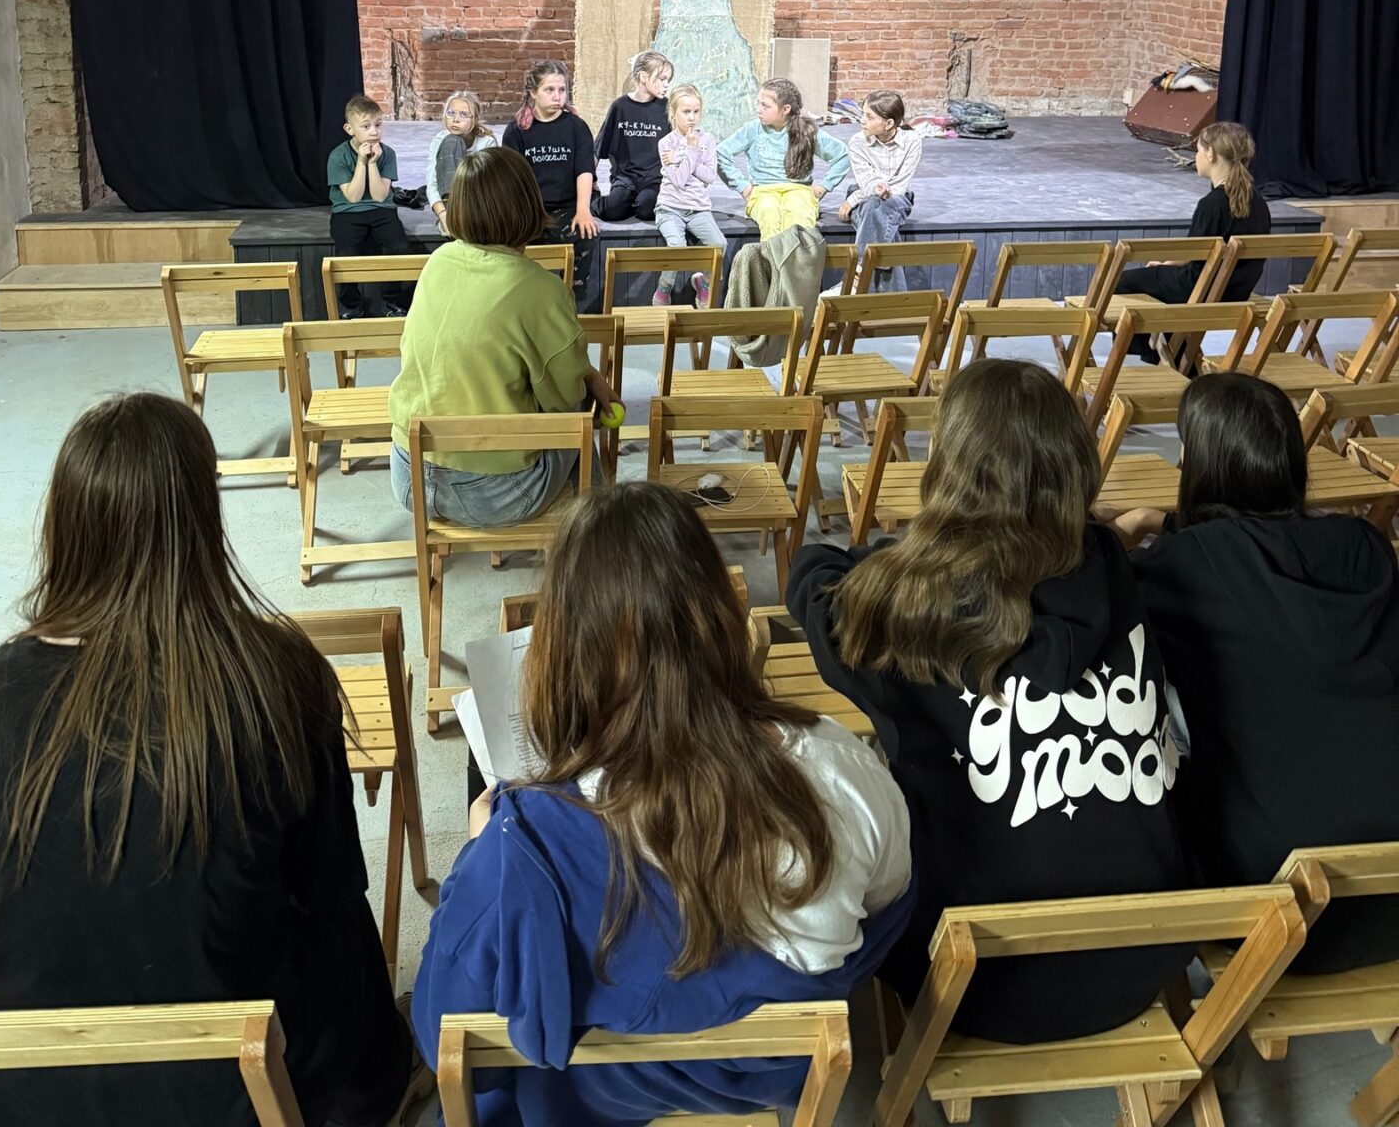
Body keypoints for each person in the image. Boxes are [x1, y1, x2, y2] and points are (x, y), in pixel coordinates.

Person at [0, 394, 414, 1127]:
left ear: (64, 526)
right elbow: (330, 896)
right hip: (241, 1094)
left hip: (27, 1102)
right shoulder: (277, 679)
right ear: (203, 520)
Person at [411, 481, 915, 1125]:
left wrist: (477, 854)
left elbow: (445, 1036)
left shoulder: (519, 854)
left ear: (565, 651)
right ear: (720, 613)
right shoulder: (846, 769)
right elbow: (891, 902)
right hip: (771, 1078)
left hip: (589, 1096)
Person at [786, 359, 1189, 1043]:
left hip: (968, 979)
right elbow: (1082, 548)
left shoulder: (902, 602)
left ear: (948, 467)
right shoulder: (1108, 563)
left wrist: (906, 553)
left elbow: (813, 573)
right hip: (1146, 954)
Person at [1115, 372, 1399, 974]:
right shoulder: (1363, 547)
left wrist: (1123, 535)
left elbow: (1108, 595)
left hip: (1277, 907)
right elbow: (1257, 564)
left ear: (1202, 468)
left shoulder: (1173, 570)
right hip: (1390, 883)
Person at [389, 146, 617, 526]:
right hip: (494, 491)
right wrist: (587, 380)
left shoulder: (437, 263)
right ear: (529, 205)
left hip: (408, 473)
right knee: (578, 417)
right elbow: (564, 398)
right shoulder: (541, 289)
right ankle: (598, 528)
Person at [1110, 120, 1271, 361]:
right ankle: (1176, 355)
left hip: (1201, 288)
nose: (1196, 157)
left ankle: (1155, 355)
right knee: (1158, 283)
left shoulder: (1212, 205)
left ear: (1211, 154)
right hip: (1237, 289)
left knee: (1122, 281)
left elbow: (1192, 253)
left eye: (1197, 151)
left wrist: (1164, 264)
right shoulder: (1258, 202)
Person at [502, 60, 599, 307]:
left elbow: (584, 171)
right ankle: (526, 304)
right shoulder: (517, 131)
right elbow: (513, 179)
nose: (558, 96)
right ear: (533, 92)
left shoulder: (576, 127)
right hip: (532, 209)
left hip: (568, 207)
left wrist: (583, 210)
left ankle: (573, 303)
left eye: (562, 90)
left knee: (586, 233)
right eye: (550, 90)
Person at [716, 78, 848, 240]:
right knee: (769, 217)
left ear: (785, 109)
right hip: (764, 191)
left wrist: (824, 186)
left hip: (799, 191)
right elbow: (721, 153)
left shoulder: (806, 131)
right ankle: (773, 257)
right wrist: (742, 187)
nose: (758, 110)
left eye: (765, 106)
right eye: (758, 104)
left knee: (798, 221)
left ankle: (798, 256)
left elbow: (842, 156)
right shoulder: (752, 129)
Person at [328, 92, 410, 318]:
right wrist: (361, 162)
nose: (374, 132)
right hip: (348, 211)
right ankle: (351, 305)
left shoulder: (387, 154)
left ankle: (393, 301)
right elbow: (353, 197)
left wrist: (372, 163)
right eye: (366, 126)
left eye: (378, 125)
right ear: (350, 129)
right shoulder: (338, 156)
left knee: (399, 247)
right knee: (346, 252)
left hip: (381, 209)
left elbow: (380, 196)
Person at [839, 92, 923, 285]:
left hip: (897, 198)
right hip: (867, 193)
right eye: (863, 114)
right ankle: (885, 291)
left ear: (889, 123)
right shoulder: (857, 142)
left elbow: (900, 186)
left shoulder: (912, 141)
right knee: (874, 208)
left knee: (873, 207)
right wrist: (874, 190)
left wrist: (853, 199)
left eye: (869, 117)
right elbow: (867, 181)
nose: (862, 121)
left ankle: (856, 274)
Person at [653, 82, 725, 306]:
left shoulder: (708, 140)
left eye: (696, 111)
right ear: (674, 113)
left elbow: (710, 176)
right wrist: (690, 152)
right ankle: (664, 289)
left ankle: (704, 284)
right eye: (686, 112)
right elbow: (679, 179)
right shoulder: (666, 143)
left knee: (720, 244)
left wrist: (683, 155)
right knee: (677, 247)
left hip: (698, 208)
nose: (692, 118)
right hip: (670, 208)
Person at [593, 50, 673, 223]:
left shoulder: (667, 108)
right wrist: (590, 181)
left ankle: (636, 202)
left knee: (647, 209)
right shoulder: (620, 106)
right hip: (625, 178)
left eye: (668, 80)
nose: (666, 85)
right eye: (662, 79)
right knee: (612, 210)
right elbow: (599, 148)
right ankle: (611, 199)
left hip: (654, 180)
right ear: (643, 77)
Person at [426, 89, 497, 236]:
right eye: (451, 113)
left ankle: (463, 218)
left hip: (476, 203)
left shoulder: (486, 143)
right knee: (452, 141)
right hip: (448, 207)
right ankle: (453, 215)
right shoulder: (440, 140)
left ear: (475, 119)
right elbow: (432, 183)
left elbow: (488, 187)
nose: (455, 119)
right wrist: (443, 215)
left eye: (463, 114)